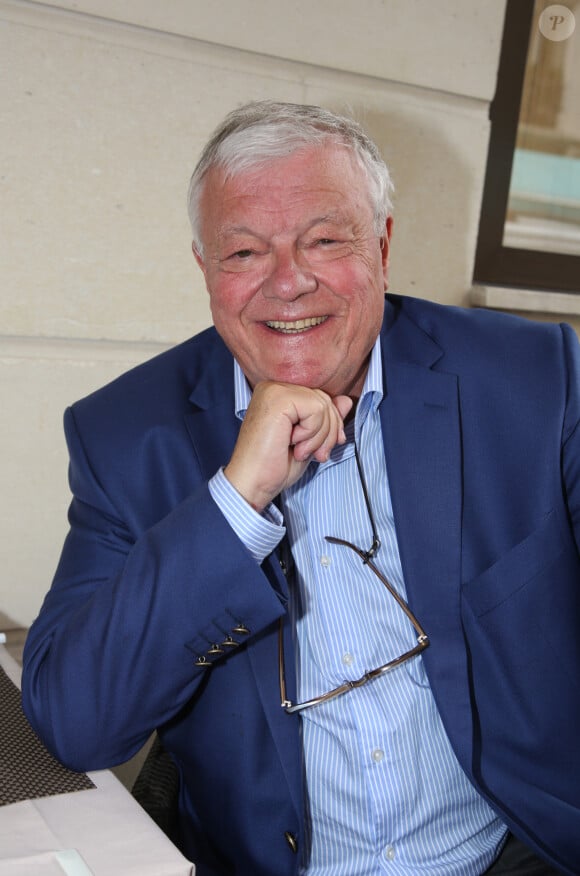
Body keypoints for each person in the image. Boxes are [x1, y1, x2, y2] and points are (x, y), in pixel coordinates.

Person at [21, 101, 580, 876]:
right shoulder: (124, 436)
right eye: (245, 252)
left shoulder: (533, 382)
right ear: (205, 269)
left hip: (513, 851)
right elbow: (76, 723)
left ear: (382, 244)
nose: (289, 283)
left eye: (324, 239)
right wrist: (233, 502)